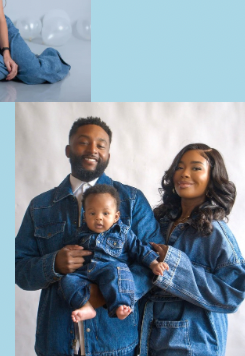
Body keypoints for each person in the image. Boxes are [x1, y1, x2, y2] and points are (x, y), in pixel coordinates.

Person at [15, 116, 163, 356]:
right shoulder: (40, 206)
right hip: (55, 343)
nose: (92, 149)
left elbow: (153, 264)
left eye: (101, 145)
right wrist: (53, 265)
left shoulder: (132, 200)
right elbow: (18, 268)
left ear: (108, 155)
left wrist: (109, 294)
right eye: (83, 142)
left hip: (116, 343)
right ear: (68, 150)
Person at [140, 144, 245, 355]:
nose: (184, 173)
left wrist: (174, 265)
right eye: (179, 167)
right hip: (151, 340)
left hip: (194, 345)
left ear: (211, 179)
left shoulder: (214, 231)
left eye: (196, 168)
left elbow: (233, 294)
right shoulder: (160, 222)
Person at [60, 184, 167, 323]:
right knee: (67, 280)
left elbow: (140, 249)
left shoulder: (122, 233)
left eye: (105, 213)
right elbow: (68, 249)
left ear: (116, 216)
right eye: (92, 213)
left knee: (119, 273)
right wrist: (67, 252)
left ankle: (121, 304)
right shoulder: (80, 233)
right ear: (85, 215)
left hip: (109, 269)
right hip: (86, 272)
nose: (98, 218)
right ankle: (86, 306)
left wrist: (154, 264)